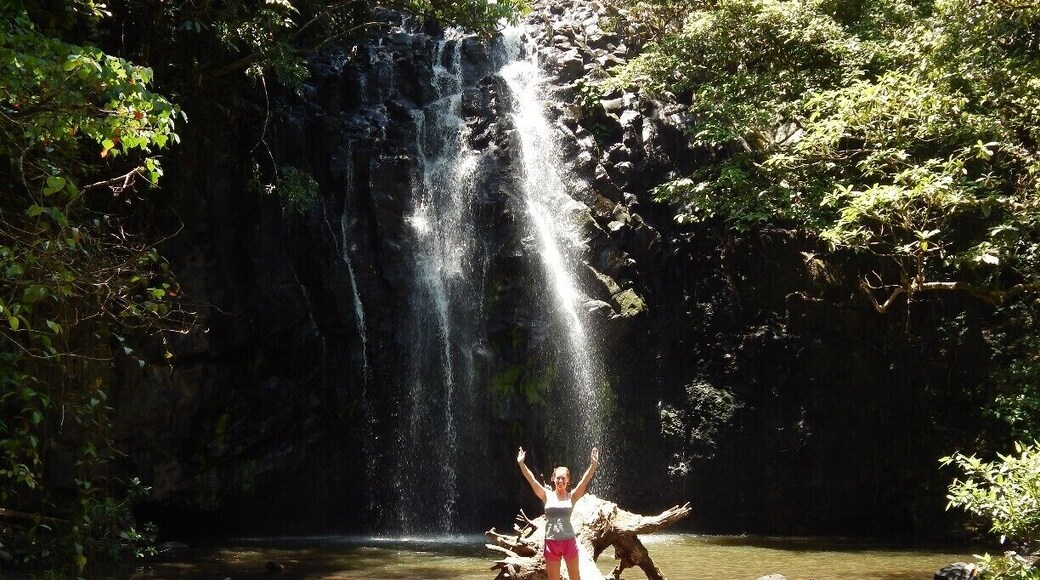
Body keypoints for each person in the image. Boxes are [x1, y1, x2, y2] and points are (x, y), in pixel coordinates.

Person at [516, 446, 600, 580]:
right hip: (551, 542)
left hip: (569, 542)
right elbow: (532, 480)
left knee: (575, 577)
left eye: (563, 478)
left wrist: (593, 465)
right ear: (553, 479)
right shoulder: (546, 495)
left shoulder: (571, 496)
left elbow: (584, 481)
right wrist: (521, 463)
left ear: (568, 480)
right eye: (557, 478)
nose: (560, 481)